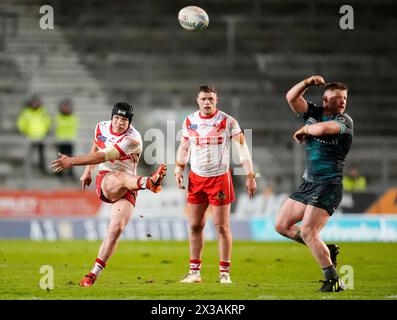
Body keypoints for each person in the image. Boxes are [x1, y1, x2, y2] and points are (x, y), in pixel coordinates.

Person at [50, 102, 167, 287]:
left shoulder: (133, 139)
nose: (120, 123)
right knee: (119, 176)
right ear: (112, 117)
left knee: (116, 229)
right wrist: (88, 171)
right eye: (117, 118)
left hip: (129, 185)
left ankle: (92, 275)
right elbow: (97, 147)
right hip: (107, 181)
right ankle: (148, 183)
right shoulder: (101, 127)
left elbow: (103, 155)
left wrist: (72, 161)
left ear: (130, 122)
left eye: (124, 120)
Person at [274, 75, 353, 292]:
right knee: (281, 225)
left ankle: (333, 279)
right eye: (337, 98)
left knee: (309, 232)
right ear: (325, 101)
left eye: (344, 98)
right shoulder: (314, 113)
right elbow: (291, 97)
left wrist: (305, 130)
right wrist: (307, 82)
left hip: (329, 185)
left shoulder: (344, 121)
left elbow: (324, 130)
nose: (342, 102)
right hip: (308, 183)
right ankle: (326, 249)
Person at [174, 85, 257, 284]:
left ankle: (224, 273)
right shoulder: (189, 121)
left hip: (219, 179)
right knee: (194, 226)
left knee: (221, 227)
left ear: (216, 100)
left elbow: (242, 148)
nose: (207, 102)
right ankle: (194, 273)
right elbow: (184, 147)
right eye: (204, 99)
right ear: (198, 100)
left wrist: (250, 175)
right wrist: (178, 169)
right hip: (196, 178)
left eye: (211, 99)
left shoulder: (228, 121)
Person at [17, 95, 52, 174]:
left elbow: (48, 121)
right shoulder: (26, 112)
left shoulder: (43, 111)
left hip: (41, 137)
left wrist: (46, 131)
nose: (34, 104)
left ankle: (42, 169)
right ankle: (27, 170)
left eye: (36, 102)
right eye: (33, 102)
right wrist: (23, 131)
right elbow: (21, 122)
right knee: (29, 155)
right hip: (29, 137)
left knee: (41, 155)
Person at [54, 98, 79, 179]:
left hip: (69, 141)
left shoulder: (72, 117)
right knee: (60, 159)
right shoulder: (58, 117)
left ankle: (70, 173)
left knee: (70, 158)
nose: (66, 108)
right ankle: (59, 173)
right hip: (60, 140)